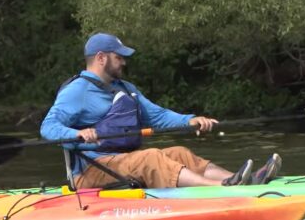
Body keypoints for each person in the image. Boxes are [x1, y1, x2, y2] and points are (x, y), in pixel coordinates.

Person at [40, 32, 281, 190]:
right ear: (101, 58)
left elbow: (157, 116)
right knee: (151, 156)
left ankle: (243, 182)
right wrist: (77, 134)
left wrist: (191, 121)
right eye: (118, 57)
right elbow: (48, 127)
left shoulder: (125, 88)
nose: (124, 62)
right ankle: (220, 189)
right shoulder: (77, 91)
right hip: (92, 172)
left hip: (122, 162)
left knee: (179, 153)